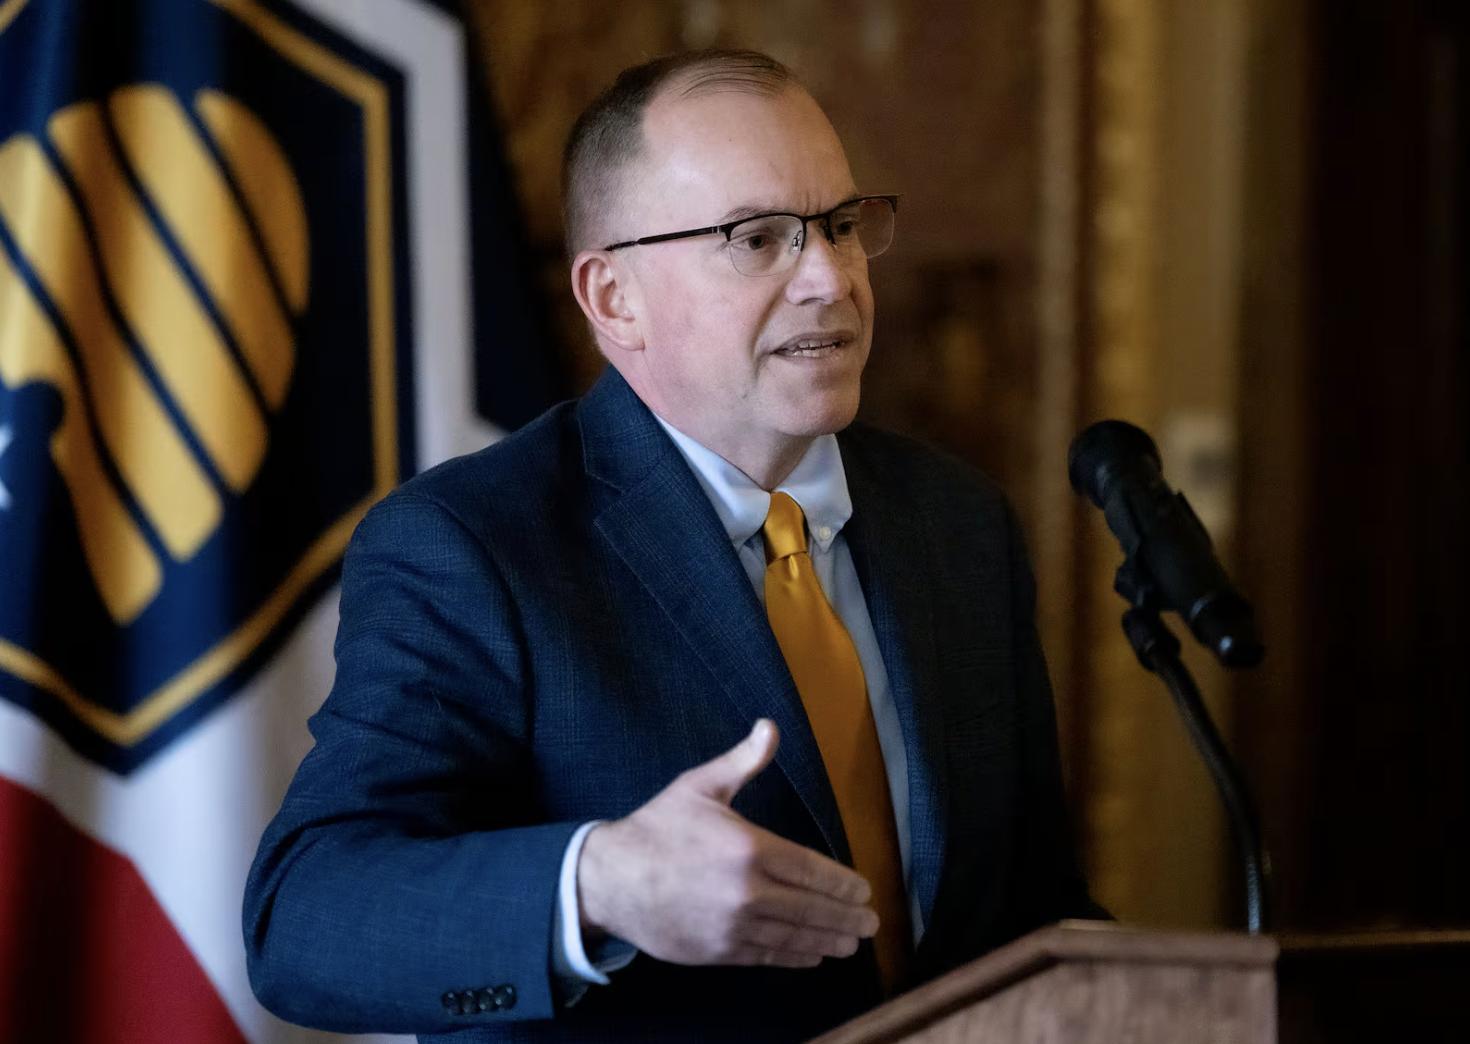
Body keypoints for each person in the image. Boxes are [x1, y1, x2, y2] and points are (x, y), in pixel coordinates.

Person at [243, 49, 1100, 1043]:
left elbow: (1034, 913)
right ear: (614, 299)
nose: (831, 276)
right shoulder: (472, 545)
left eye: (841, 224)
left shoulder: (958, 522)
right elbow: (303, 919)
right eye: (758, 238)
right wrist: (600, 883)